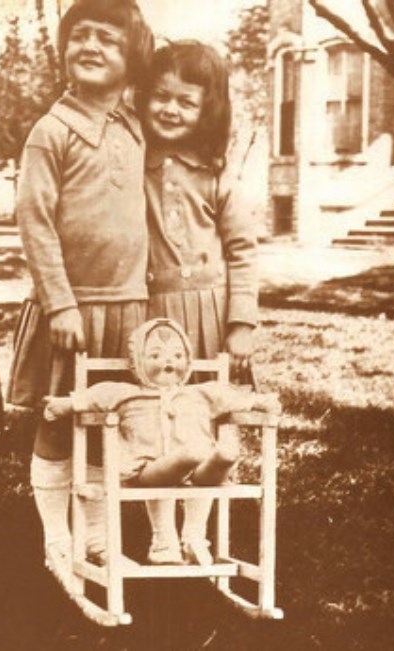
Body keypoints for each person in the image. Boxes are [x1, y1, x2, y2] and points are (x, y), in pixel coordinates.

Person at [6, 0, 153, 588]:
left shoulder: (134, 126)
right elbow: (34, 222)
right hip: (71, 307)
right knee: (58, 418)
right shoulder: (52, 131)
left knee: (108, 418)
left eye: (108, 40)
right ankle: (56, 538)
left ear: (131, 58)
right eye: (80, 36)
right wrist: (60, 301)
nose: (90, 47)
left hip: (127, 305)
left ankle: (95, 536)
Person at [136, 40, 259, 564]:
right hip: (154, 319)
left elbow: (243, 250)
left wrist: (241, 322)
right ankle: (161, 534)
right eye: (160, 96)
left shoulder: (215, 171)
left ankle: (197, 531)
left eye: (186, 101)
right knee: (155, 424)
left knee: (208, 428)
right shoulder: (132, 162)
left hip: (208, 318)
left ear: (206, 109)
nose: (170, 109)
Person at [44, 319, 279, 563]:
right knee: (191, 454)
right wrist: (65, 404)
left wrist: (261, 402)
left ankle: (194, 536)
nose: (168, 361)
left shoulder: (199, 392)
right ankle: (164, 543)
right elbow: (94, 397)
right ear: (137, 363)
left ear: (187, 361)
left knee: (220, 459)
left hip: (198, 472)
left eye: (177, 355)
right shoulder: (126, 393)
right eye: (156, 355)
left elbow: (231, 397)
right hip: (149, 469)